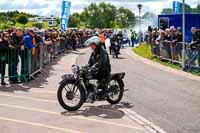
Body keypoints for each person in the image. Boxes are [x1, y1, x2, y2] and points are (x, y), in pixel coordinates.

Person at [84, 36, 111, 102]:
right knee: (84, 76)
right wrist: (85, 67)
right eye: (91, 45)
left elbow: (102, 61)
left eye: (92, 45)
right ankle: (90, 92)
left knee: (101, 79)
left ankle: (103, 93)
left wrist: (95, 66)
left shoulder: (102, 51)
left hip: (104, 70)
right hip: (96, 70)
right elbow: (89, 63)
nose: (91, 46)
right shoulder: (93, 52)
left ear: (96, 44)